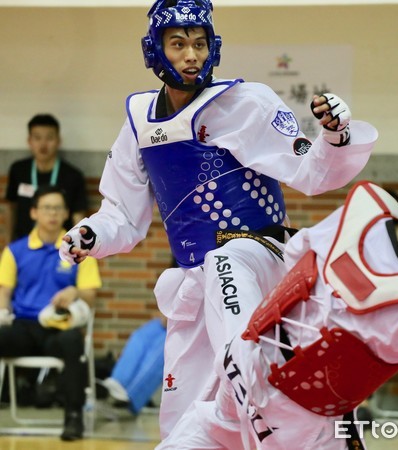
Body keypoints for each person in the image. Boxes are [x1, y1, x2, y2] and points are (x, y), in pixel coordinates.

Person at [58, 0, 378, 442]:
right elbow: (123, 215)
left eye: (199, 43)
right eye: (178, 44)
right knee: (184, 416)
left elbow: (311, 171)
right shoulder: (138, 122)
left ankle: (299, 426)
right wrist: (90, 235)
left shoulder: (246, 102)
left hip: (257, 258)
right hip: (198, 278)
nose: (192, 55)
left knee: (247, 363)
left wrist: (335, 136)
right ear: (155, 51)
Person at [167, 128, 398, 449]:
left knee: (229, 259)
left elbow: (294, 252)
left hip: (239, 369)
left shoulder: (365, 208)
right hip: (297, 428)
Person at [0, 185, 102, 441]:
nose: (53, 213)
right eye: (47, 207)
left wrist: (75, 293)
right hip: (23, 327)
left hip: (59, 328)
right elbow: (4, 291)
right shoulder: (14, 251)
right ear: (34, 212)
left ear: (66, 213)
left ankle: (74, 419)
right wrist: (3, 310)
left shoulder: (80, 252)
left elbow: (90, 295)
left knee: (73, 341)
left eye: (58, 208)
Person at [5, 113, 88, 242]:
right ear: (29, 141)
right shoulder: (18, 170)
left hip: (61, 248)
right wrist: (8, 242)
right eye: (37, 138)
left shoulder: (73, 176)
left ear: (58, 141)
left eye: (49, 138)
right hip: (24, 246)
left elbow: (78, 217)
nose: (43, 144)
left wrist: (78, 247)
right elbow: (11, 209)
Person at [101, 315, 167, 415]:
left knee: (161, 348)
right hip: (169, 321)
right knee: (141, 336)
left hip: (187, 328)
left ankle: (130, 397)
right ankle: (118, 382)